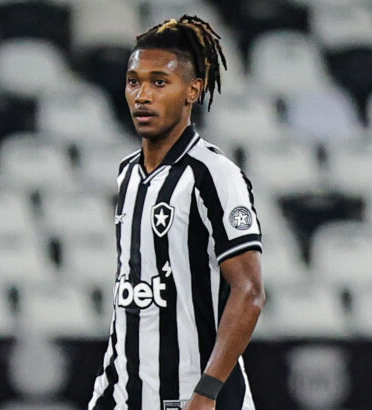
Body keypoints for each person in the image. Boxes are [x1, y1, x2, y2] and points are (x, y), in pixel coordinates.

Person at [88, 15, 265, 410]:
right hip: (124, 394)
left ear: (192, 90)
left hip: (195, 398)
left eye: (159, 82)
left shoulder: (214, 175)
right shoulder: (127, 174)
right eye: (134, 81)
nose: (142, 95)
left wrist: (206, 393)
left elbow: (250, 292)